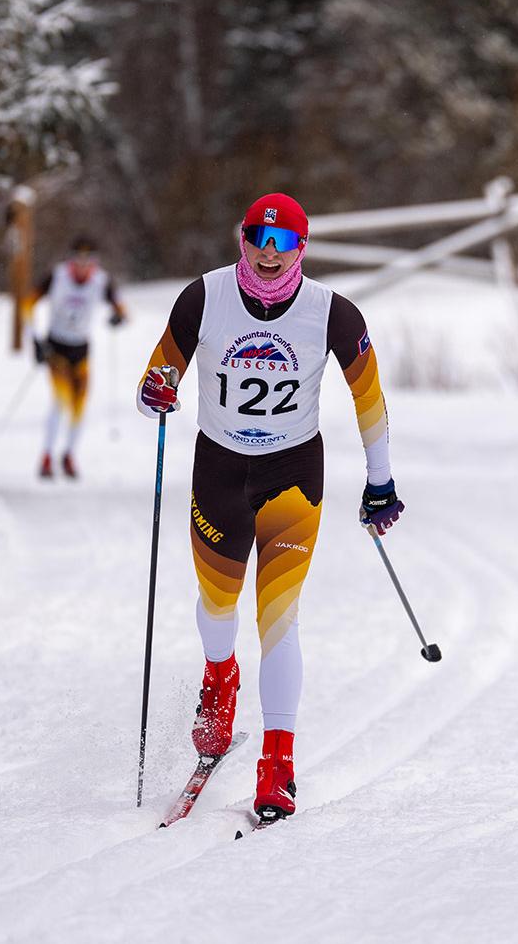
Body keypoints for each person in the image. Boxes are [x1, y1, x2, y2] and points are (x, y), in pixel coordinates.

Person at [136, 192, 404, 825]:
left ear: (302, 250)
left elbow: (370, 401)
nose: (268, 252)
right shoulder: (202, 298)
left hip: (291, 478)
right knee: (217, 608)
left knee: (278, 617)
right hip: (219, 471)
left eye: (283, 243)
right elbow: (154, 394)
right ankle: (220, 678)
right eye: (258, 237)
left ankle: (278, 763)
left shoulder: (331, 313)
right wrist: (155, 393)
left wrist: (380, 482)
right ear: (242, 239)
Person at [23, 236, 127, 480]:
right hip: (56, 348)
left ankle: (68, 455)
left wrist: (117, 317)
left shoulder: (101, 281)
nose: (82, 266)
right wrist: (35, 341)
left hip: (81, 351)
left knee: (79, 406)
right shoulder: (57, 277)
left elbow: (121, 308)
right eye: (77, 260)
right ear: (70, 260)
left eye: (88, 261)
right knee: (60, 402)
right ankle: (47, 456)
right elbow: (27, 305)